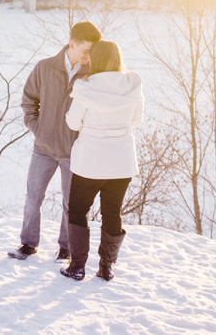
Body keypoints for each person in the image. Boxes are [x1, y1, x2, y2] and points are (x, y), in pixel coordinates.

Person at [9, 22, 101, 261]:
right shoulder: (45, 67)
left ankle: (66, 248)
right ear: (72, 44)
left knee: (71, 205)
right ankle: (28, 244)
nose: (88, 56)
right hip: (43, 149)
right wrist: (37, 128)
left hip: (75, 152)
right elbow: (29, 100)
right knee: (33, 198)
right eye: (86, 50)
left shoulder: (93, 74)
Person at [59, 40, 143, 281]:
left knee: (77, 210)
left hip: (90, 161)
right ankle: (106, 267)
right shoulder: (133, 84)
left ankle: (77, 266)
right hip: (121, 161)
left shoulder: (85, 86)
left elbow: (73, 123)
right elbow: (136, 121)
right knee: (112, 212)